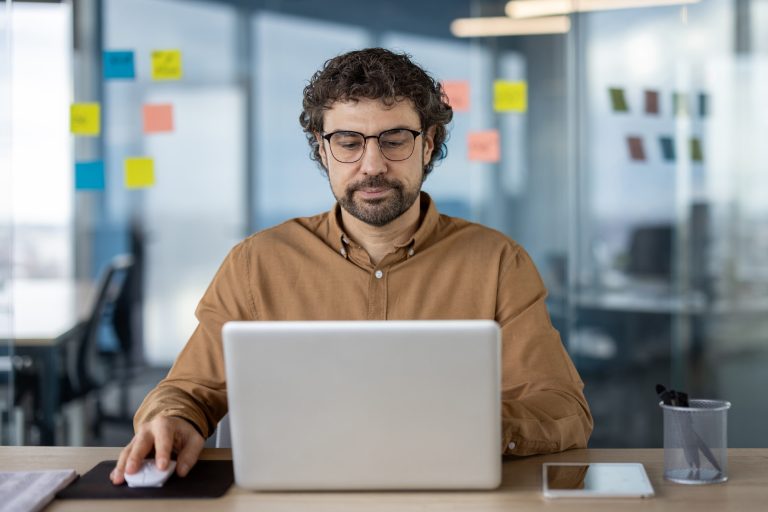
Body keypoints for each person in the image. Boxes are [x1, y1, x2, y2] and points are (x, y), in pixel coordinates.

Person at [111, 48, 592, 485]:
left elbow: (564, 409)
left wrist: (477, 427)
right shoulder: (257, 263)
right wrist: (172, 417)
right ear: (322, 149)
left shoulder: (498, 263)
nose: (372, 164)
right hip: (293, 496)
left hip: (449, 493)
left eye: (395, 139)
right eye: (348, 141)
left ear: (429, 145)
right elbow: (187, 389)